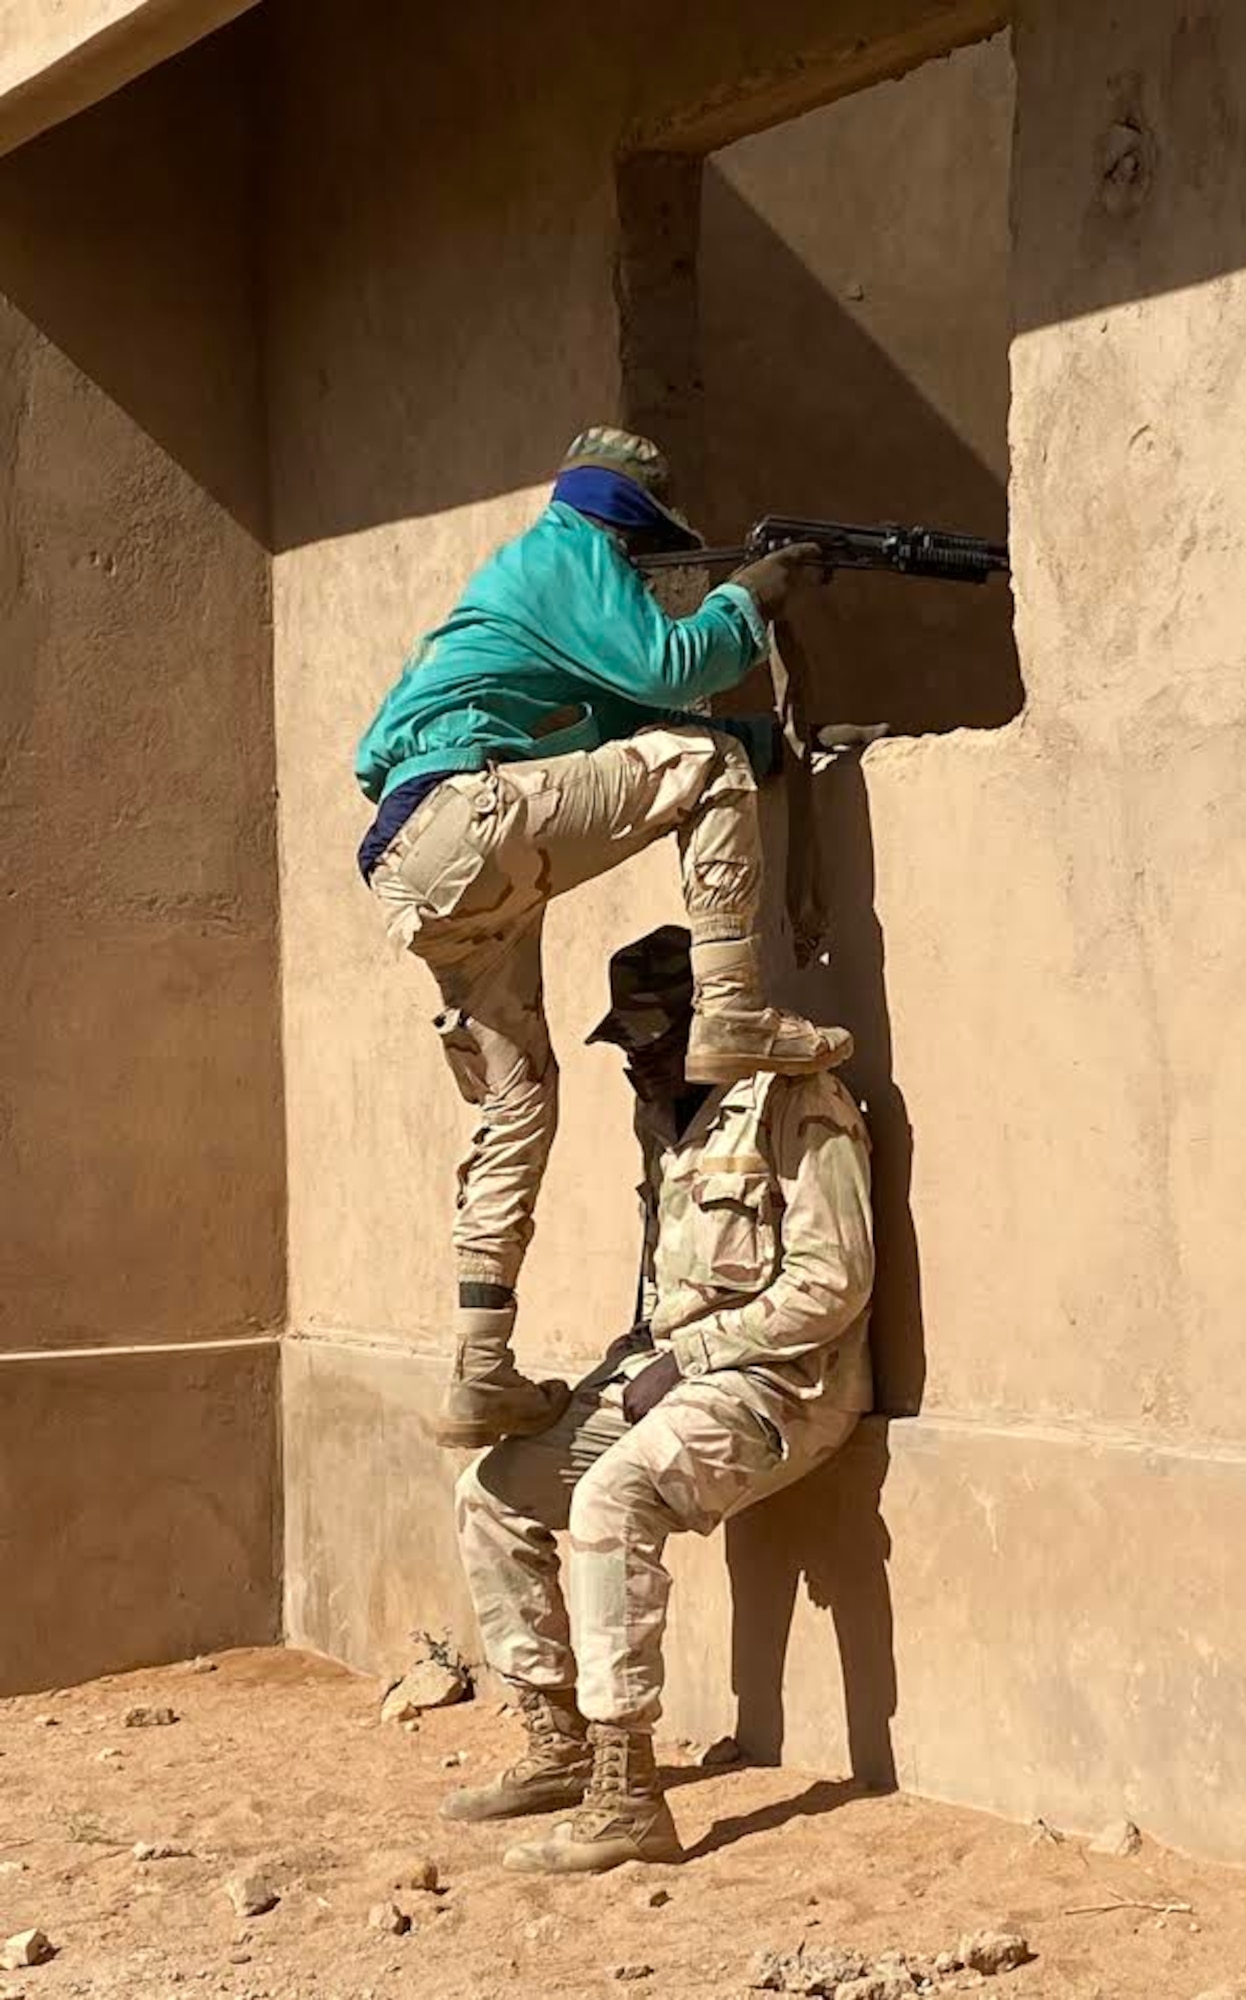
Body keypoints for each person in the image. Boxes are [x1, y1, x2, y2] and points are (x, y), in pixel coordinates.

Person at [355, 427, 852, 1448]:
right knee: (705, 765)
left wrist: (782, 747)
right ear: (634, 530)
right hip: (466, 813)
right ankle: (736, 1015)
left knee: (516, 1104)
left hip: (418, 860)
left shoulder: (531, 598)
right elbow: (671, 674)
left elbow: (621, 732)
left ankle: (478, 1370)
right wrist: (749, 597)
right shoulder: (568, 549)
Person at [443, 925, 874, 1873]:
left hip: (785, 1386)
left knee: (612, 1497)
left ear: (709, 1021)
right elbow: (659, 1287)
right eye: (627, 1043)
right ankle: (556, 1743)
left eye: (653, 1037)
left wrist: (697, 1355)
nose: (637, 1061)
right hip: (672, 1374)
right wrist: (602, 1377)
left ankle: (625, 1789)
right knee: (494, 1491)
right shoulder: (662, 1119)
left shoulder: (797, 1101)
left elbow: (833, 1284)